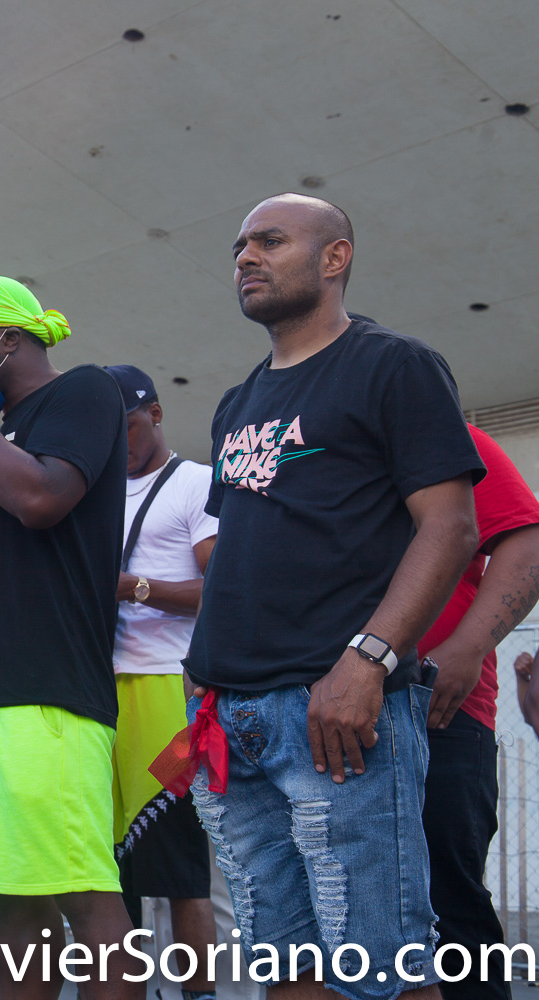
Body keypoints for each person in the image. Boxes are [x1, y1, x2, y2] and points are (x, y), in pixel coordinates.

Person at [184, 194, 483, 1000]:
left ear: (335, 257)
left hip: (337, 710)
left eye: (270, 240)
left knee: (383, 966)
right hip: (229, 716)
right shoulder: (237, 401)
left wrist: (368, 659)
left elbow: (451, 527)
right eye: (239, 245)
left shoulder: (394, 365)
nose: (245, 257)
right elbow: (241, 549)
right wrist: (204, 681)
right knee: (282, 963)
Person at [0, 277, 136, 1000]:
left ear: (8, 339)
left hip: (48, 694)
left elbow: (43, 500)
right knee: (17, 897)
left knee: (82, 893)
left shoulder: (85, 391)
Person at [103, 364, 218, 998]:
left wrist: (134, 588)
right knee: (109, 869)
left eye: (126, 426)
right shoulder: (92, 491)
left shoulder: (196, 482)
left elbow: (222, 589)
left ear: (156, 414)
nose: (116, 443)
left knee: (180, 869)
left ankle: (198, 994)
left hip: (168, 691)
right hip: (99, 692)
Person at [414, 422, 539, 1000]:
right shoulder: (309, 446)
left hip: (439, 711)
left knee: (448, 903)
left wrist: (466, 649)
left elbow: (526, 542)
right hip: (316, 710)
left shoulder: (443, 435)